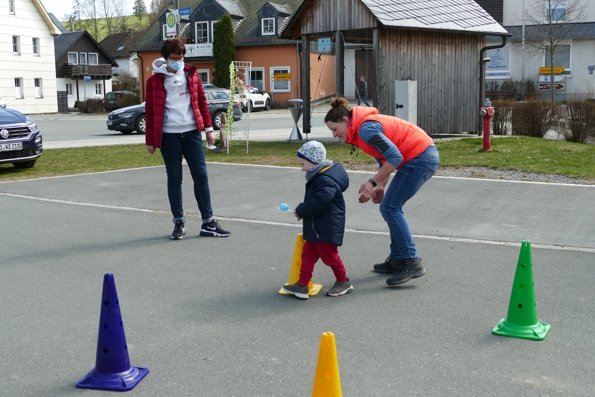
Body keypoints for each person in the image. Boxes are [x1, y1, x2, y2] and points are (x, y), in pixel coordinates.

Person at [324, 97, 439, 286]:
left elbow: (395, 157)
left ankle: (412, 262)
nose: (334, 135)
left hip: (420, 158)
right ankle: (396, 259)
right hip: (418, 157)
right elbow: (384, 158)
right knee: (390, 206)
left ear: (345, 121)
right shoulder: (361, 128)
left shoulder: (365, 129)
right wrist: (381, 186)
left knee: (391, 207)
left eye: (334, 129)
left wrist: (371, 182)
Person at [145, 38, 230, 240]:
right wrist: (150, 140)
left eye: (181, 57)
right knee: (175, 179)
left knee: (201, 177)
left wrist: (209, 129)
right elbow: (150, 111)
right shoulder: (154, 81)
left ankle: (208, 222)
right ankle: (179, 222)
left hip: (192, 133)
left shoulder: (191, 75)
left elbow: (202, 101)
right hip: (169, 135)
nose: (178, 61)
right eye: (174, 58)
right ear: (166, 58)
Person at [282, 141, 353, 299]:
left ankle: (344, 281)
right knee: (306, 256)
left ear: (314, 162)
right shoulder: (320, 176)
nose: (302, 168)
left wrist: (302, 209)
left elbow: (321, 203)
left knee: (331, 258)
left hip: (325, 229)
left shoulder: (325, 180)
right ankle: (302, 285)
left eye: (303, 164)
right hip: (316, 228)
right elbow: (317, 204)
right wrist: (304, 212)